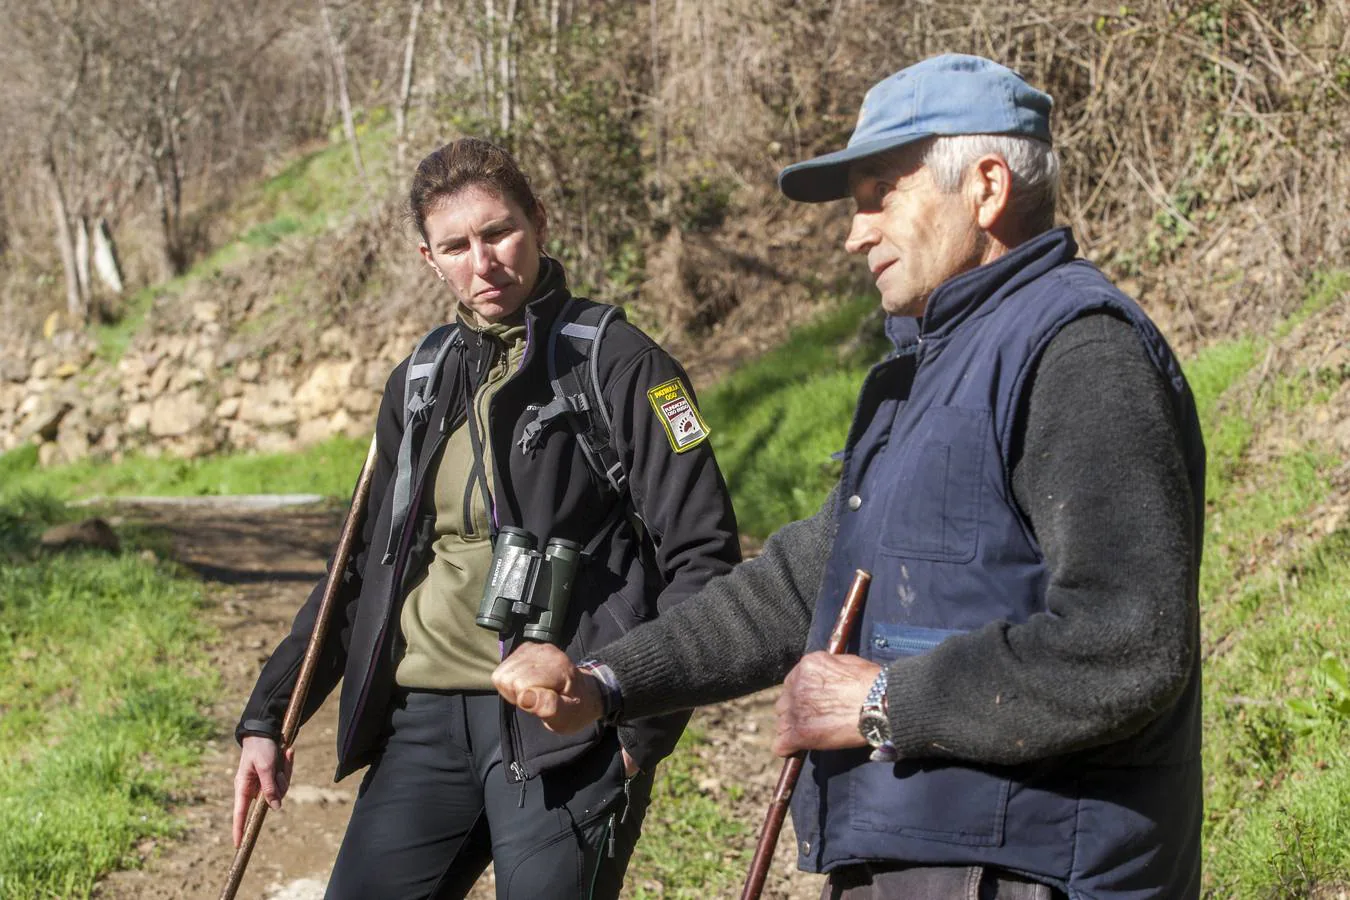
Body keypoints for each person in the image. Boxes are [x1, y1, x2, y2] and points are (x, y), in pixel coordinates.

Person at [493, 54, 1206, 899]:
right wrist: (606, 683)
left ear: (985, 187)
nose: (854, 232)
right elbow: (797, 585)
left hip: (1031, 867)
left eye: (879, 195)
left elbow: (1125, 645)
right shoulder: (922, 373)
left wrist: (887, 705)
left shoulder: (1081, 353)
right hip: (924, 852)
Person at [231, 137, 741, 899]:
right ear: (428, 258)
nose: (484, 261)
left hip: (564, 722)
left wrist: (636, 731)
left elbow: (704, 556)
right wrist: (270, 716)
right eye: (456, 245)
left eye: (498, 232)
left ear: (538, 222)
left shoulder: (624, 365)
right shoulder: (421, 380)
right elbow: (362, 567)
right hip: (425, 720)